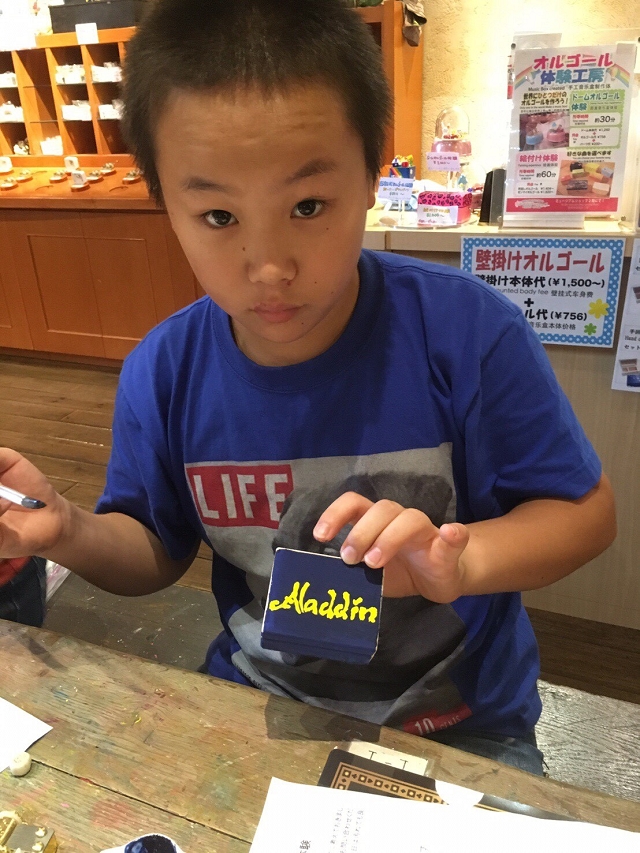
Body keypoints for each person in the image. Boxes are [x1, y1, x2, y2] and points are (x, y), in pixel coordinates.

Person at [0, 0, 616, 775]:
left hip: (460, 726)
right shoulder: (165, 368)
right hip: (259, 703)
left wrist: (463, 563)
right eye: (218, 215)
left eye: (308, 206)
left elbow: (585, 514)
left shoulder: (469, 334)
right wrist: (64, 529)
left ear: (373, 172)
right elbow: (153, 548)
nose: (269, 267)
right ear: (166, 206)